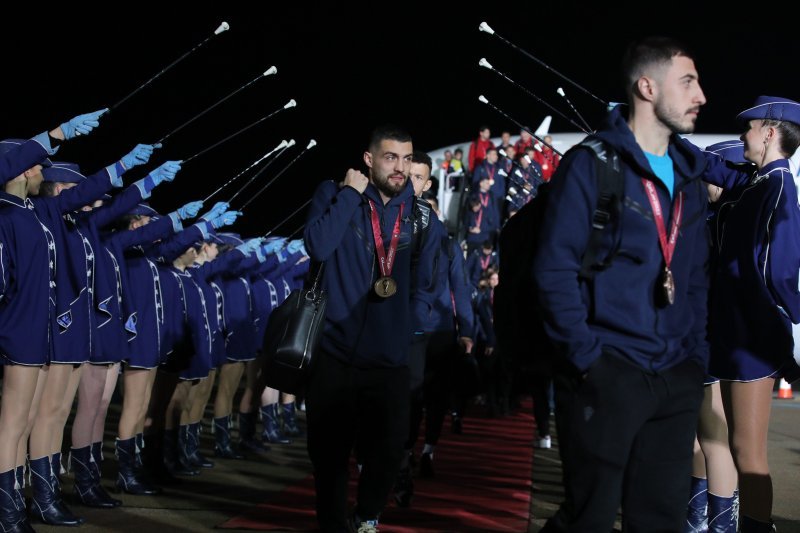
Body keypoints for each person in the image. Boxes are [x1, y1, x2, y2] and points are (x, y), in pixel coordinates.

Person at [532, 36, 709, 531]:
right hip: (608, 373)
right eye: (689, 82)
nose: (701, 96)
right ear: (647, 87)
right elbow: (553, 270)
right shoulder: (593, 165)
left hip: (674, 378)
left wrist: (695, 360)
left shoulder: (690, 179)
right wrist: (590, 361)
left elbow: (695, 280)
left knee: (660, 521)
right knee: (587, 519)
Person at [303, 125, 438, 533]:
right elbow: (318, 246)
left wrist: (408, 326)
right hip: (334, 352)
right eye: (390, 157)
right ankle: (332, 525)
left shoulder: (421, 215)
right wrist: (348, 194)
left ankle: (366, 517)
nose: (400, 168)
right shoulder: (333, 194)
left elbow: (428, 282)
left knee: (387, 451)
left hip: (389, 359)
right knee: (329, 456)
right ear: (369, 159)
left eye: (407, 158)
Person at [695, 96, 800, 532]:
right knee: (729, 444)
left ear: (770, 132)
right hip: (735, 333)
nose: (743, 136)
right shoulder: (757, 184)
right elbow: (714, 169)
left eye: (750, 128)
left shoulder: (779, 188)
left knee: (747, 452)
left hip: (752, 338)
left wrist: (786, 346)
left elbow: (780, 274)